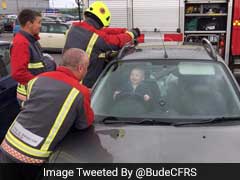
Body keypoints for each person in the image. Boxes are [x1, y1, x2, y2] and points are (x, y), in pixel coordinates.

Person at [0, 48, 94, 179]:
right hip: (32, 158)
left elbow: (28, 103)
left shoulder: (38, 79)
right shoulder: (80, 92)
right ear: (80, 68)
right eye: (87, 67)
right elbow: (84, 124)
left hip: (8, 145)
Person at [64, 1, 141, 88]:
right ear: (102, 22)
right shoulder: (94, 37)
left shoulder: (75, 28)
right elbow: (115, 41)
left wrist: (123, 30)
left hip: (67, 81)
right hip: (83, 85)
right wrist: (132, 34)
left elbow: (104, 32)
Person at [10, 9, 55, 106]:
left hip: (34, 93)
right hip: (29, 95)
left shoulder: (31, 40)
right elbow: (18, 73)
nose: (40, 26)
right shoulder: (21, 43)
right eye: (38, 22)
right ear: (29, 24)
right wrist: (39, 83)